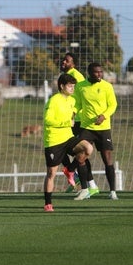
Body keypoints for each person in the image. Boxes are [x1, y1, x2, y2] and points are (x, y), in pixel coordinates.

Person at [43, 73, 94, 211]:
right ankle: (48, 203)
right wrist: (66, 122)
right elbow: (47, 120)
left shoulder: (72, 100)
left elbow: (74, 112)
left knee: (88, 148)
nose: (72, 88)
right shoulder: (53, 100)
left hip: (68, 137)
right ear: (62, 86)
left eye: (73, 86)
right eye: (70, 86)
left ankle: (70, 169)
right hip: (53, 141)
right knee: (51, 174)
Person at [74, 62, 119, 200]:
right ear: (89, 73)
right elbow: (77, 104)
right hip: (87, 127)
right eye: (96, 72)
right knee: (80, 156)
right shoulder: (81, 87)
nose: (99, 74)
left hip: (103, 128)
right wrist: (72, 113)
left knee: (107, 159)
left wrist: (104, 116)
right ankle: (85, 189)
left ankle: (112, 191)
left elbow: (113, 105)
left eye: (101, 72)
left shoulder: (107, 86)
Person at [60, 52, 98, 196]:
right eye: (63, 60)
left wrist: (73, 114)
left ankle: (80, 179)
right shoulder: (66, 76)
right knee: (65, 148)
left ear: (73, 63)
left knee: (79, 151)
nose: (64, 62)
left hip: (78, 120)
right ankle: (82, 180)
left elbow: (81, 97)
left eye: (67, 60)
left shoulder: (77, 76)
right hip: (71, 119)